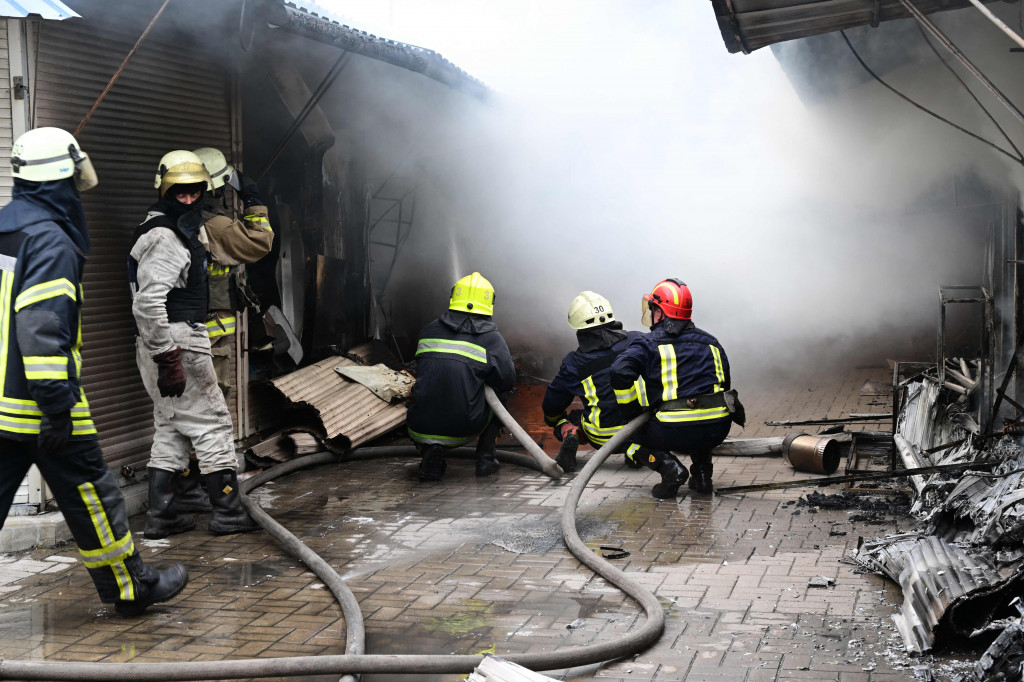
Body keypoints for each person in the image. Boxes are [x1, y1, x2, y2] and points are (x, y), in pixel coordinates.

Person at [0, 127, 188, 616]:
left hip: (3, 407)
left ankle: (129, 585)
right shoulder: (50, 242)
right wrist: (57, 408)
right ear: (63, 176)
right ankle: (132, 586)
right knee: (94, 498)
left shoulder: (7, 228)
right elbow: (41, 332)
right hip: (41, 406)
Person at [129, 150, 259, 538]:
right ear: (164, 190)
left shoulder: (169, 226)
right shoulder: (166, 236)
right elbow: (149, 300)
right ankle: (228, 512)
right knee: (213, 425)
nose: (188, 199)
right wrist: (168, 357)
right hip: (176, 341)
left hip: (162, 343)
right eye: (180, 193)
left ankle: (163, 515)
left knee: (170, 426)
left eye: (195, 192)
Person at [167, 147, 274, 513]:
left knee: (181, 413)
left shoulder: (162, 222)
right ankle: (216, 500)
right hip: (211, 335)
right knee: (211, 414)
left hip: (176, 334)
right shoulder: (215, 226)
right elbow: (261, 241)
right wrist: (254, 201)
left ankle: (183, 489)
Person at [610, 278, 740, 498]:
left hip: (672, 431)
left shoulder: (649, 343)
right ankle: (702, 475)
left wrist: (632, 412)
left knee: (630, 438)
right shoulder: (712, 343)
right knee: (700, 421)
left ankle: (669, 469)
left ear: (659, 313)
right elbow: (723, 387)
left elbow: (619, 371)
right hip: (717, 430)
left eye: (652, 309)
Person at [406, 272, 515, 481]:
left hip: (419, 426)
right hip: (463, 428)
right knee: (498, 396)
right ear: (489, 303)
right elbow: (507, 381)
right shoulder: (491, 339)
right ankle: (485, 459)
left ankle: (429, 452)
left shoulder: (428, 330)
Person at [541, 291, 645, 473]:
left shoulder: (574, 362)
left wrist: (554, 419)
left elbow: (551, 404)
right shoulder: (638, 341)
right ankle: (635, 450)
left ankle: (571, 432)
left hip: (602, 435)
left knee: (570, 417)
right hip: (642, 428)